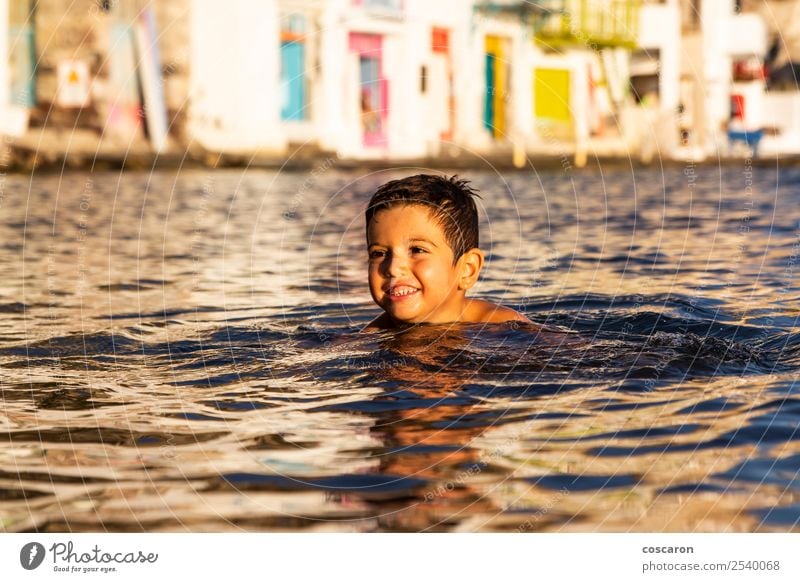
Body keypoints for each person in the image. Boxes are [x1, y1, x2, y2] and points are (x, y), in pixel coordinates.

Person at [363, 174, 533, 330]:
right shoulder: (369, 339)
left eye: (417, 250)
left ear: (467, 269)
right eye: (379, 253)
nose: (393, 268)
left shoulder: (502, 325)